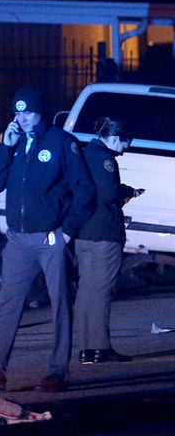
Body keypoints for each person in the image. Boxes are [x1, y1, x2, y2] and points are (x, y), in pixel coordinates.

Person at [0, 86, 96, 392]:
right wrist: (6, 147)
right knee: (7, 302)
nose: (22, 118)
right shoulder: (15, 141)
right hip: (18, 239)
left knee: (59, 303)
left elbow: (85, 190)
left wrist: (67, 231)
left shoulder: (62, 142)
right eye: (18, 112)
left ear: (41, 112)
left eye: (28, 112)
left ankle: (57, 372)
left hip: (50, 238)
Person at [75, 117, 143, 364]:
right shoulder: (104, 158)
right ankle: (100, 348)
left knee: (86, 292)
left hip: (85, 233)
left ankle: (85, 348)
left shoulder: (84, 154)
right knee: (102, 292)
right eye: (126, 143)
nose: (126, 149)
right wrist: (127, 191)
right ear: (114, 138)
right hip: (104, 232)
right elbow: (108, 193)